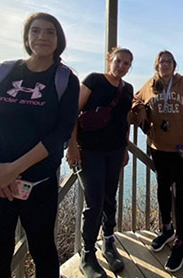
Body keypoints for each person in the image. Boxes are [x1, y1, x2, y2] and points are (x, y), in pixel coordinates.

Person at [0, 12, 80, 278]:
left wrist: (13, 170)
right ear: (27, 38)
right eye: (36, 31)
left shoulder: (65, 79)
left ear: (59, 40)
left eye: (50, 32)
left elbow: (60, 132)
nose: (42, 36)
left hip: (37, 186)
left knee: (43, 252)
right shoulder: (1, 72)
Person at [132, 50, 183, 272]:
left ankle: (181, 239)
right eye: (161, 62)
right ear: (156, 65)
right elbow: (135, 98)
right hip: (158, 148)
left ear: (174, 65)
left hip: (180, 149)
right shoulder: (150, 84)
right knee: (162, 188)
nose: (165, 65)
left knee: (179, 192)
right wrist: (140, 109)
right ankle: (166, 229)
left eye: (169, 62)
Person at [66, 47, 134, 278]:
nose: (121, 66)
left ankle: (108, 242)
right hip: (90, 151)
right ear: (109, 60)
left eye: (126, 64)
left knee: (109, 198)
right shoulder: (94, 80)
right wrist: (72, 145)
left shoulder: (128, 89)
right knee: (94, 202)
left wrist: (125, 149)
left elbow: (125, 121)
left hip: (114, 151)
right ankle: (87, 253)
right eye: (118, 61)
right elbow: (73, 112)